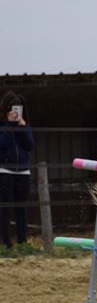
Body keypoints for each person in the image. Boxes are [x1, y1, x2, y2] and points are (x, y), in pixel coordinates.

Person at [0, 92, 34, 249]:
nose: (16, 112)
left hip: (23, 171)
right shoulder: (3, 125)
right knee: (5, 207)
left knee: (22, 207)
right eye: (14, 109)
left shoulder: (24, 124)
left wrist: (22, 126)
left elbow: (29, 145)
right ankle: (5, 241)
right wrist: (9, 124)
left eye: (19, 109)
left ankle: (22, 241)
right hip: (5, 170)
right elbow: (3, 144)